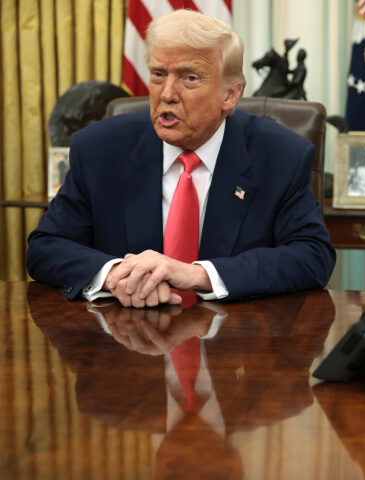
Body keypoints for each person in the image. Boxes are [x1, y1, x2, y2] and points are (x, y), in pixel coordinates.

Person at [26, 9, 335, 308]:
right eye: (159, 74)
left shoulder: (281, 156)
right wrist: (116, 275)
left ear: (230, 94)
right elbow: (45, 247)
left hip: (233, 348)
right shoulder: (100, 148)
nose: (167, 94)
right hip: (125, 344)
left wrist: (196, 274)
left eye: (189, 78)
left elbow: (312, 256)